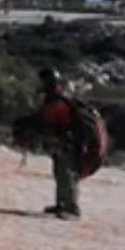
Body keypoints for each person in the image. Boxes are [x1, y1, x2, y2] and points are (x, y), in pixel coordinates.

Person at [37, 67, 82, 219]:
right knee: (60, 173)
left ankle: (71, 209)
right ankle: (61, 204)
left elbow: (61, 120)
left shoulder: (58, 98)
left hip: (67, 141)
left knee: (67, 174)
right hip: (61, 140)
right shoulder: (54, 96)